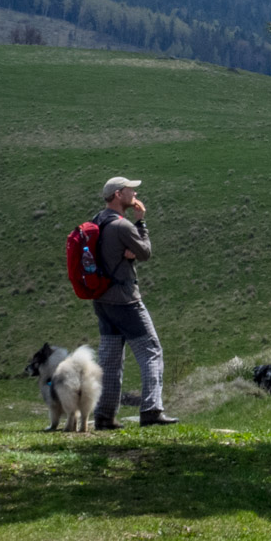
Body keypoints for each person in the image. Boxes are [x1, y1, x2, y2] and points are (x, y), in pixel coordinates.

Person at [89, 177, 178, 429]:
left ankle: (104, 417)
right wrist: (141, 223)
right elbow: (145, 252)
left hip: (102, 300)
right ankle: (151, 410)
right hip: (126, 301)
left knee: (109, 359)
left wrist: (129, 251)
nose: (135, 192)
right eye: (130, 189)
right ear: (118, 194)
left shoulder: (97, 221)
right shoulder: (123, 226)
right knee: (151, 351)